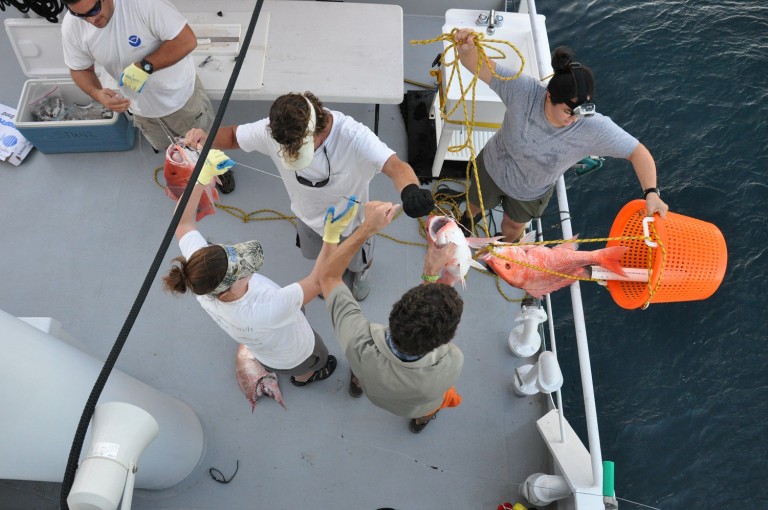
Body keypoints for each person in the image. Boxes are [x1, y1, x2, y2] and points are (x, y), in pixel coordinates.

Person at [184, 91, 436, 300]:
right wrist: (207, 138)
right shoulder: (273, 129)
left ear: (320, 129)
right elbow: (232, 136)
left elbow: (396, 167)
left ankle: (361, 273)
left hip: (353, 222)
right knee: (320, 259)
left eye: (298, 149)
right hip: (307, 218)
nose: (289, 154)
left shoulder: (353, 136)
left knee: (358, 260)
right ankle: (326, 277)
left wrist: (410, 190)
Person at [453, 28, 669, 241]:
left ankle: (505, 247)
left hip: (530, 192)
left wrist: (651, 192)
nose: (574, 118)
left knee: (513, 225)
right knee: (475, 203)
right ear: (549, 96)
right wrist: (466, 49)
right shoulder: (523, 91)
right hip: (492, 167)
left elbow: (637, 152)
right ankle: (465, 222)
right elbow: (478, 65)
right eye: (568, 111)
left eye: (580, 111)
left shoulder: (593, 127)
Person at [162, 149, 340, 386]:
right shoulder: (268, 309)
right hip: (296, 353)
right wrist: (332, 237)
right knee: (311, 363)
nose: (248, 267)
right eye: (243, 271)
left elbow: (182, 222)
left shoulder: (201, 276)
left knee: (291, 319)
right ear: (226, 290)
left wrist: (201, 178)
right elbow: (319, 280)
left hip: (268, 353)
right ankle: (306, 376)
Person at [316, 199, 465, 433]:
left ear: (395, 311)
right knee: (431, 407)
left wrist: (366, 228)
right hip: (415, 406)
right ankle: (420, 422)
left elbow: (328, 277)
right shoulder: (453, 361)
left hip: (374, 389)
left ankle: (357, 385)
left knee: (360, 368)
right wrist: (431, 276)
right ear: (446, 339)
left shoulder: (360, 344)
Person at [60, 0, 235, 193]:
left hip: (180, 99)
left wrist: (146, 66)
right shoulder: (72, 25)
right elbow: (79, 69)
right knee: (170, 147)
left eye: (94, 9)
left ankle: (219, 171)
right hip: (140, 110)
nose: (91, 19)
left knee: (204, 141)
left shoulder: (145, 4)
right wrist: (98, 94)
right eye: (81, 15)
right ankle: (188, 170)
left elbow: (187, 40)